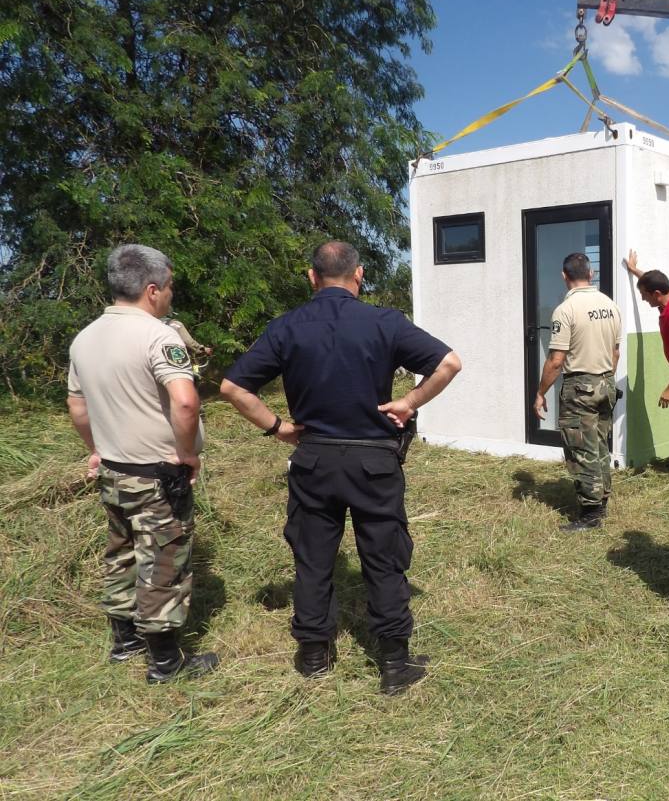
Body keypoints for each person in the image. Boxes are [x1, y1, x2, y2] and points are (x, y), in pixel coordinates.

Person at [220, 241, 460, 694]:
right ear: (359, 275)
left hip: (314, 460)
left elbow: (233, 388)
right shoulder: (385, 322)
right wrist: (408, 402)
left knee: (313, 558)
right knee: (384, 559)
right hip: (374, 462)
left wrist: (278, 428)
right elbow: (449, 363)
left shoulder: (287, 327)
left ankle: (314, 656)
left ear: (312, 277)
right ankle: (394, 665)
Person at [67, 243, 219, 683]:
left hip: (113, 470)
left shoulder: (85, 338)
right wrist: (187, 453)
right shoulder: (158, 336)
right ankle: (166, 663)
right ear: (152, 290)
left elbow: (77, 405)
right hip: (157, 474)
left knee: (122, 553)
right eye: (169, 286)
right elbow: (185, 401)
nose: (171, 294)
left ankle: (125, 642)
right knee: (163, 562)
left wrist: (96, 447)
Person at [534, 252, 622, 532]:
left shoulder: (566, 310)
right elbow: (615, 352)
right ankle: (601, 501)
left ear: (564, 276)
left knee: (581, 448)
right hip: (606, 383)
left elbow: (556, 360)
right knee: (599, 445)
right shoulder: (610, 305)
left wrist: (540, 392)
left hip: (580, 387)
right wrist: (606, 378)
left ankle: (590, 513)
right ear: (591, 273)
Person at [623, 249, 669, 436]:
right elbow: (653, 282)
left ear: (656, 294)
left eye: (644, 294)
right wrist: (634, 270)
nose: (643, 298)